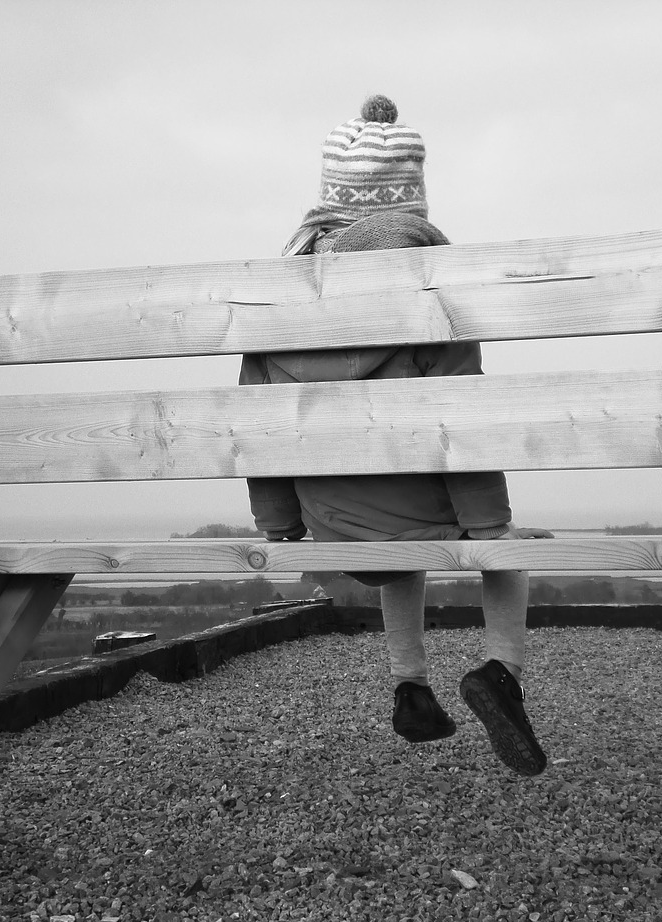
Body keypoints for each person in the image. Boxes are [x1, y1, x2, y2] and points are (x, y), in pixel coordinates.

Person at [240, 95, 553, 776]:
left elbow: (255, 430)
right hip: (425, 516)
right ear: (412, 203)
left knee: (394, 529)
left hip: (334, 529)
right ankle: (500, 672)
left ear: (328, 202)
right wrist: (489, 529)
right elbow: (458, 434)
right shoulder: (432, 297)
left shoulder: (280, 300)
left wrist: (279, 528)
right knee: (500, 545)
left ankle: (410, 686)